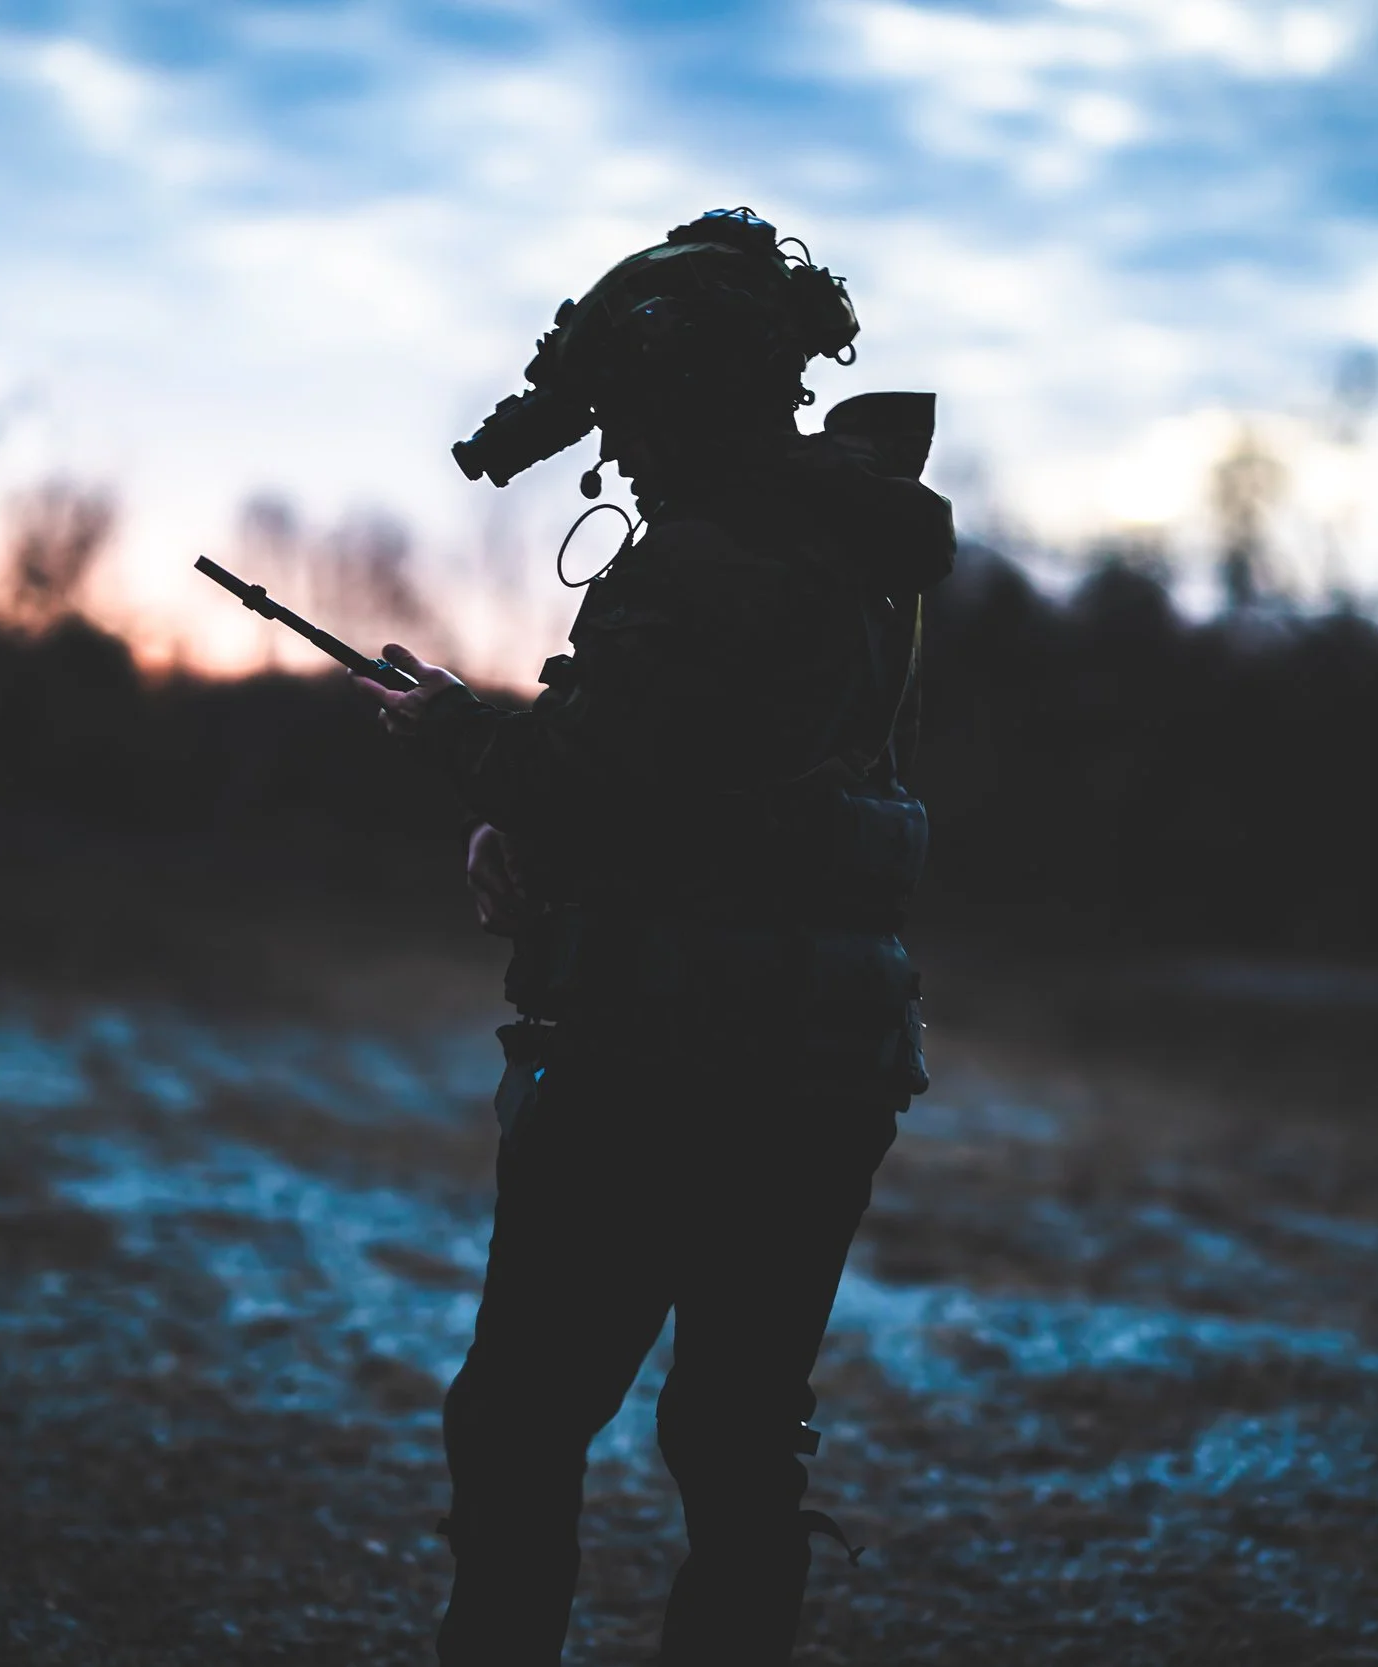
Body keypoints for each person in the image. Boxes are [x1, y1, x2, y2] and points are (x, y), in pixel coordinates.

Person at [350, 207, 953, 1666]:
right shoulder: (847, 548)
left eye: (621, 410)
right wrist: (530, 837)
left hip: (660, 1058)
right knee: (739, 1435)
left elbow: (599, 783)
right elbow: (715, 797)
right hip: (826, 1058)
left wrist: (454, 742)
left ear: (671, 400)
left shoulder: (706, 560)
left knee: (519, 1416)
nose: (611, 442)